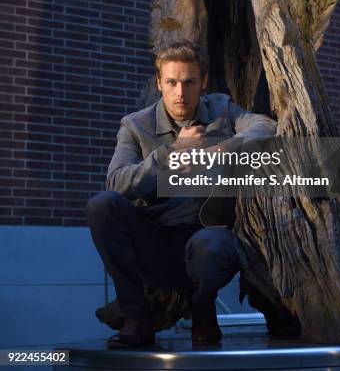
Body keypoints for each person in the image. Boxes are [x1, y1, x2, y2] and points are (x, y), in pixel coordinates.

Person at [86, 40, 276, 349]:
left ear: (202, 82)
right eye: (171, 82)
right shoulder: (135, 126)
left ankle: (203, 307)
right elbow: (117, 183)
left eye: (189, 82)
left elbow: (266, 127)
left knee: (210, 244)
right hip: (156, 242)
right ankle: (136, 318)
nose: (180, 92)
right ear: (159, 83)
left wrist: (221, 149)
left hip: (209, 237)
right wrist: (171, 154)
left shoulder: (221, 109)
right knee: (102, 206)